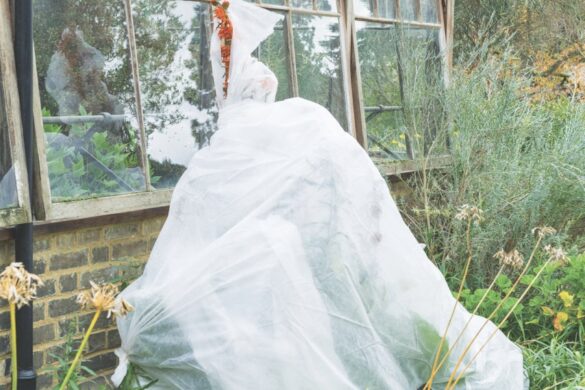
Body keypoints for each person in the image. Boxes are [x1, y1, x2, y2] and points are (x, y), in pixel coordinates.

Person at [113, 0, 525, 388]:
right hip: (262, 274)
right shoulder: (255, 143)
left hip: (269, 273)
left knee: (286, 344)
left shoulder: (251, 143)